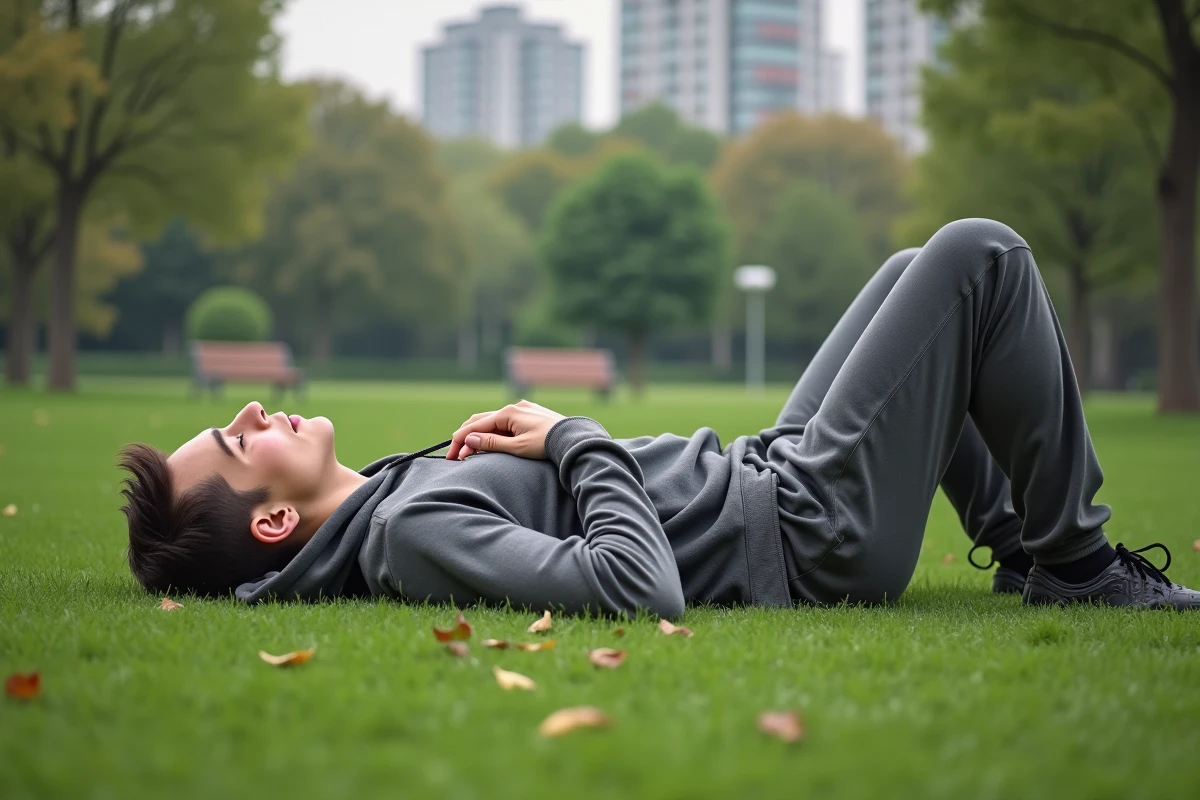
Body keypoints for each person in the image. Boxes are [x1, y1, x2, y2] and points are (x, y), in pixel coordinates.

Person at [118, 219, 1200, 615]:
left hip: (771, 477)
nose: (252, 410)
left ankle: (1021, 549)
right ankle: (1075, 559)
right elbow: (640, 589)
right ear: (269, 522)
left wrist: (554, 446)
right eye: (234, 439)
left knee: (918, 268)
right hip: (805, 534)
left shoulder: (390, 500)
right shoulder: (411, 532)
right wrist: (572, 434)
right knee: (983, 256)